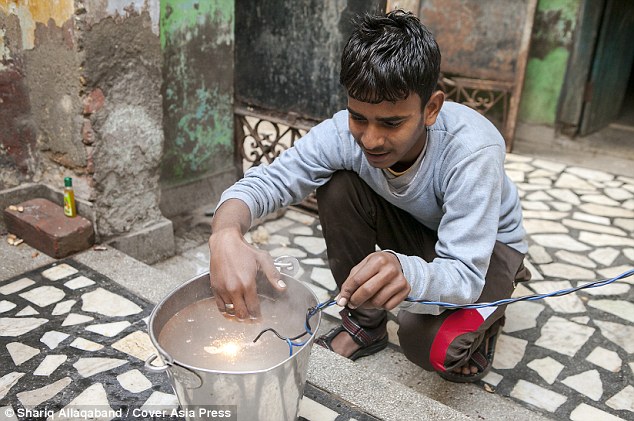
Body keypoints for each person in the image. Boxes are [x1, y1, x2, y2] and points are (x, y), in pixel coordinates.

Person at [208, 9, 530, 383]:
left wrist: (405, 270)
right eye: (358, 117)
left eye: (392, 123)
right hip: (420, 229)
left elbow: (463, 272)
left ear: (431, 109)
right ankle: (365, 324)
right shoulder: (344, 136)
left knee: (432, 346)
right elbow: (270, 180)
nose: (371, 139)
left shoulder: (472, 150)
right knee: (337, 184)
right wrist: (225, 234)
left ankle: (494, 308)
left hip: (485, 249)